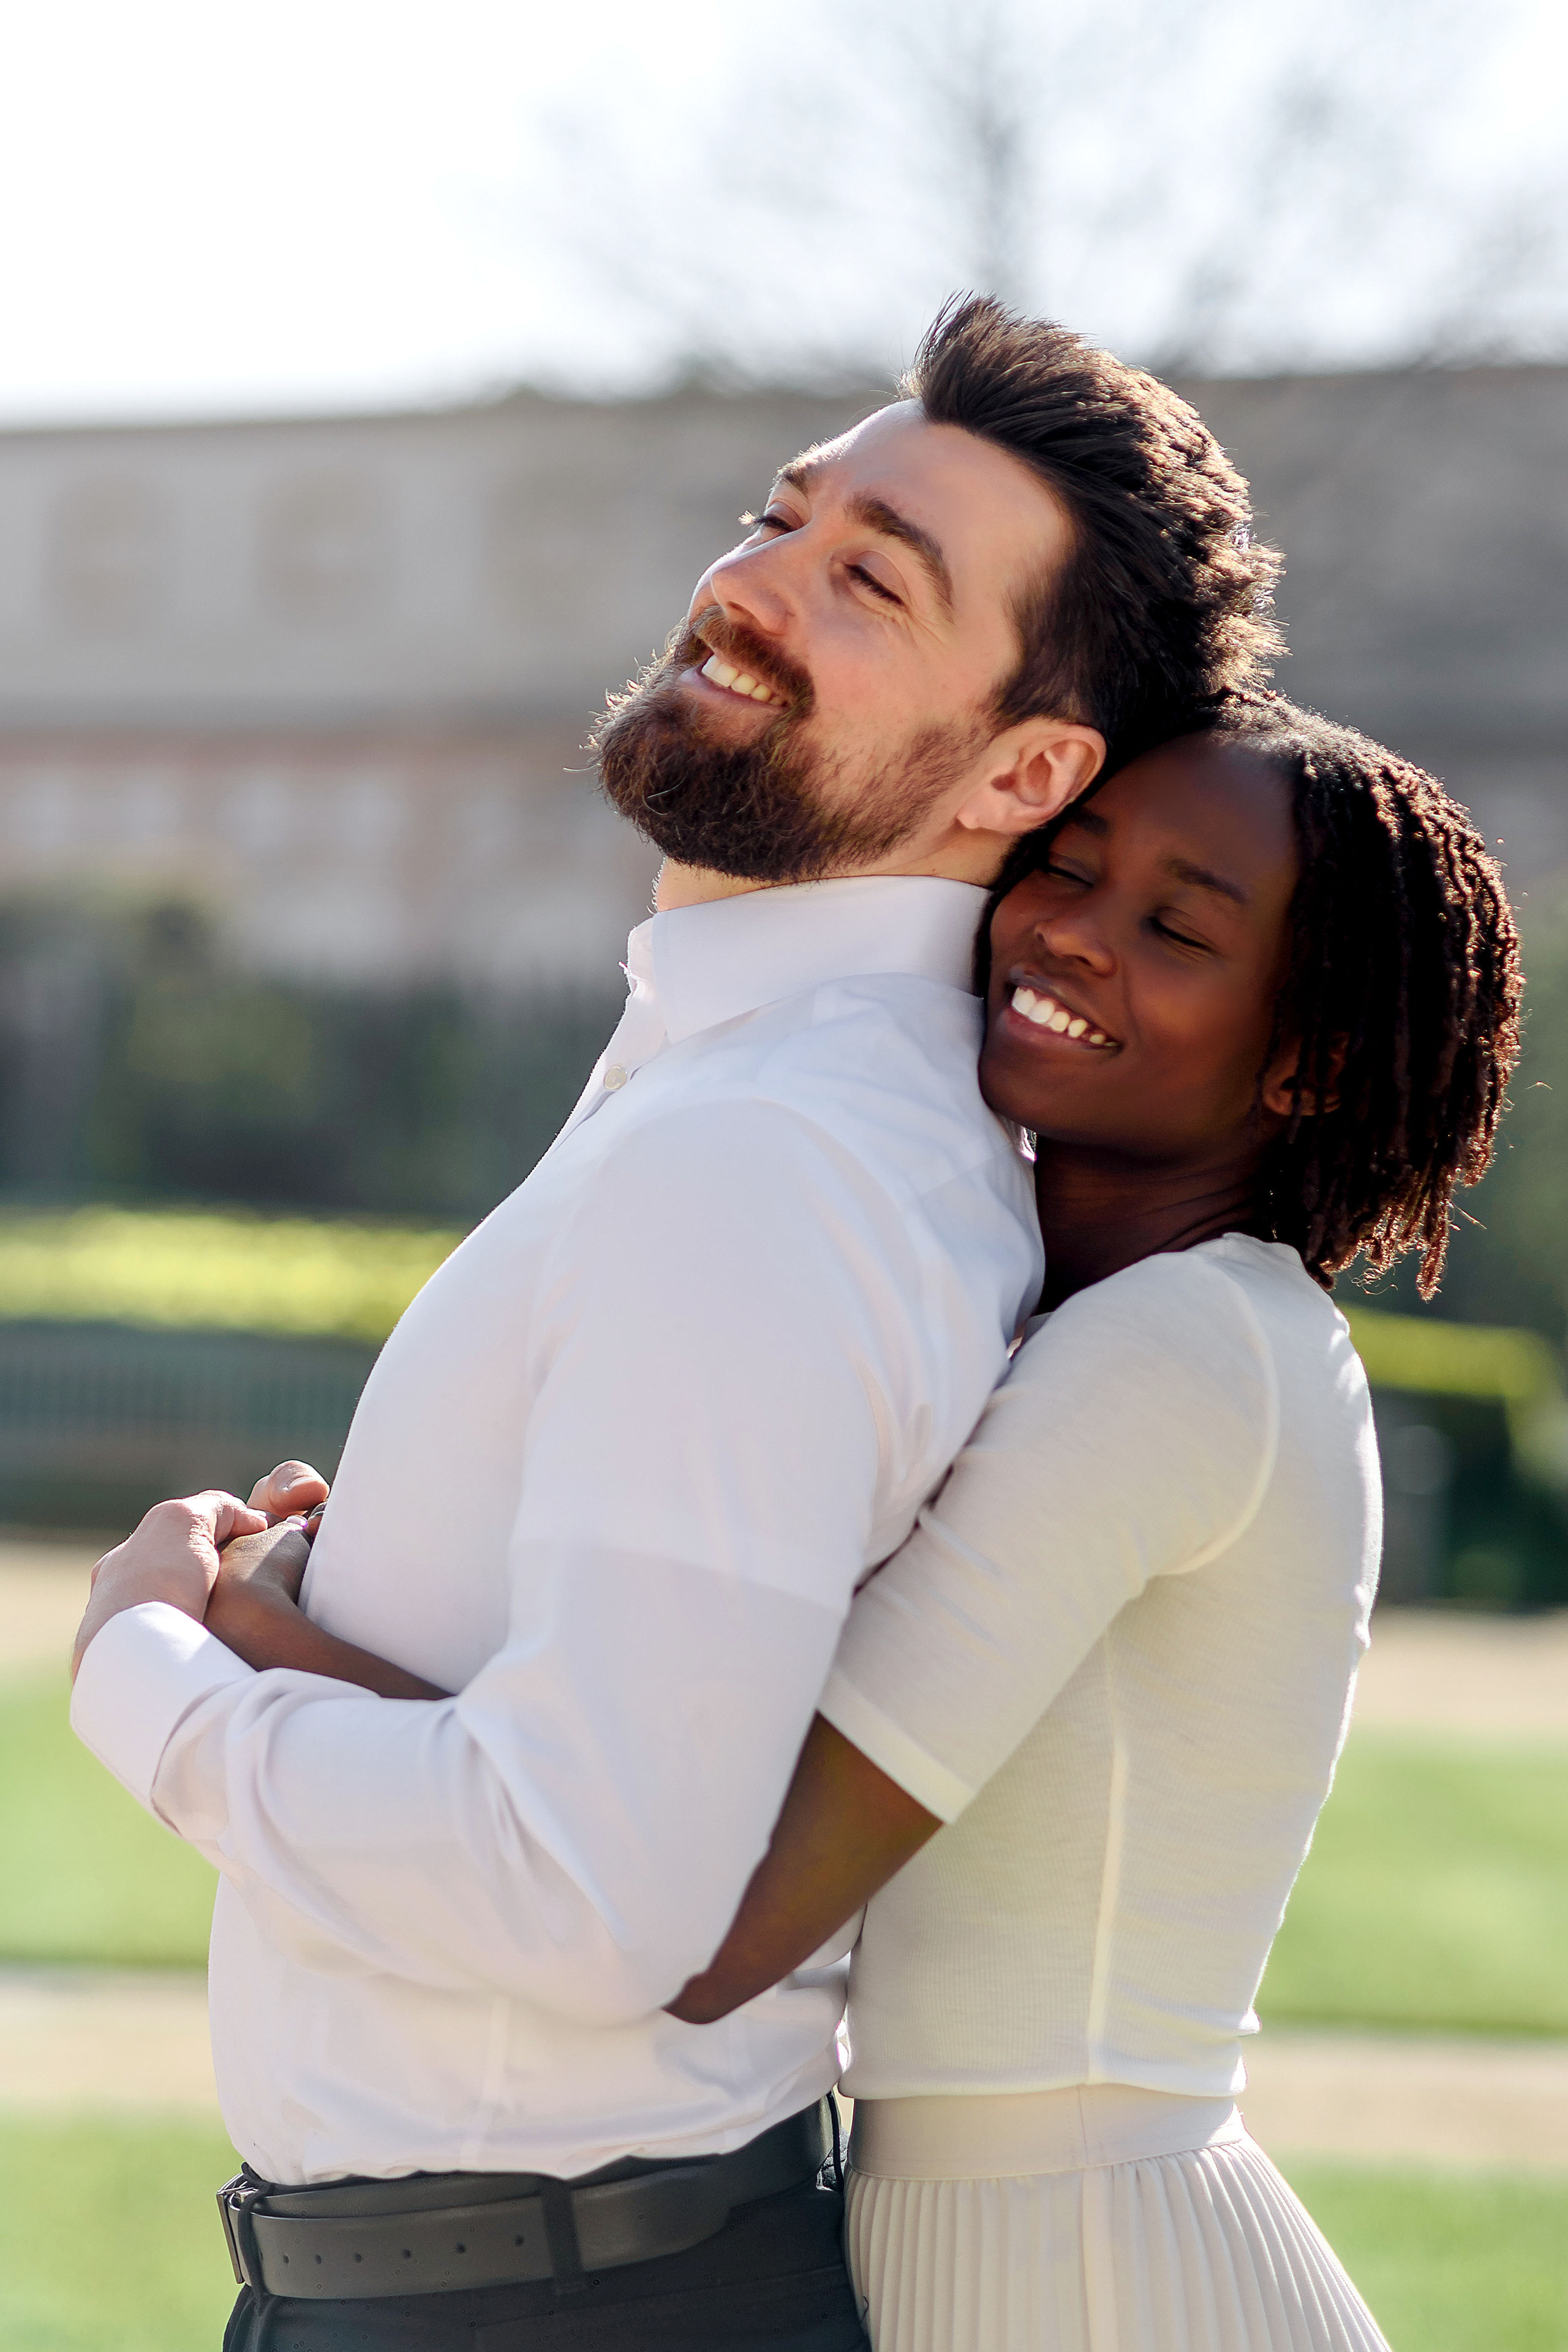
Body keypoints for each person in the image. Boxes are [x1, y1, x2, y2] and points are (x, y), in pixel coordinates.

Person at [67, 298, 1281, 2352]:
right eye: (779, 517)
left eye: (868, 579)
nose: (749, 584)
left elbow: (589, 1892)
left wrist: (149, 1681)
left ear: (1030, 767)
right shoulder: (749, 1100)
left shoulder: (778, 1159)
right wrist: (348, 1615)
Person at [663, 697, 1522, 2349]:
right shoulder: (1140, 1322)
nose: (1069, 928)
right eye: (1068, 864)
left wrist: (268, 1652)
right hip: (1029, 2242)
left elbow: (720, 1917)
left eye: (1179, 926)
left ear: (1312, 1057)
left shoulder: (1177, 1354)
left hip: (1090, 2272)